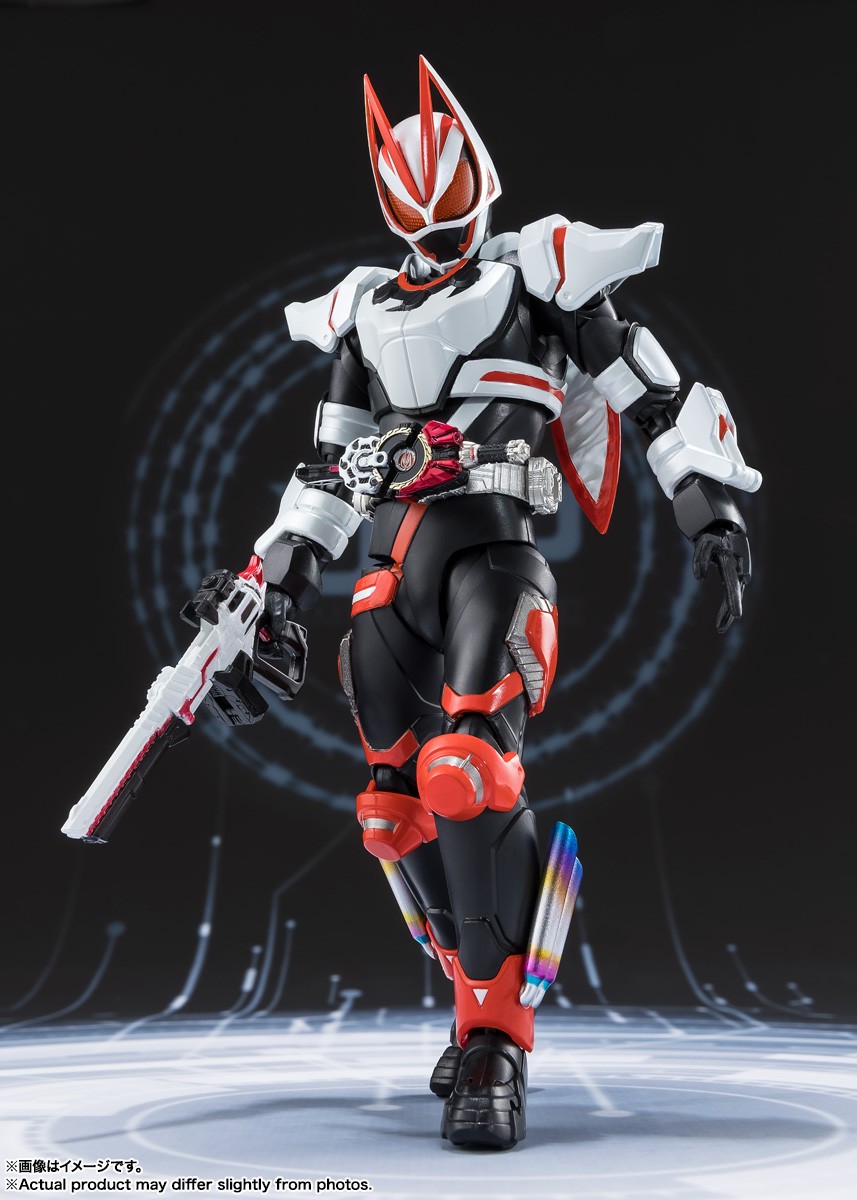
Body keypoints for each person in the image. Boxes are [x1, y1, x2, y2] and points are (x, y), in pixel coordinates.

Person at [189, 56, 761, 1150]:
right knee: (389, 810)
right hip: (384, 578)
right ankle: (473, 997)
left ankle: (496, 1042)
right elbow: (329, 473)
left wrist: (707, 511)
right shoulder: (362, 313)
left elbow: (650, 392)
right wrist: (273, 591)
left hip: (490, 561)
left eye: (452, 210)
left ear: (481, 185)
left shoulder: (539, 280)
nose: (441, 234)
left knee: (468, 774)